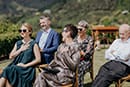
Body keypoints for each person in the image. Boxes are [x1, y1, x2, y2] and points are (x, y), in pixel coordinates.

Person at [0, 23, 41, 87]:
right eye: (20, 31)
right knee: (7, 71)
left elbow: (38, 59)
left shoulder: (34, 44)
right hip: (15, 66)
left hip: (26, 69)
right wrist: (20, 49)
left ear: (30, 32)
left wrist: (25, 65)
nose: (22, 32)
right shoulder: (18, 43)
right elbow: (10, 56)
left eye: (24, 30)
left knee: (7, 71)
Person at [74, 20, 94, 87]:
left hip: (86, 61)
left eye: (80, 29)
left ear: (85, 30)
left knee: (79, 68)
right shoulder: (75, 39)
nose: (78, 31)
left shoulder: (89, 39)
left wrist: (81, 52)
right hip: (75, 60)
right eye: (77, 29)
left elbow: (88, 55)